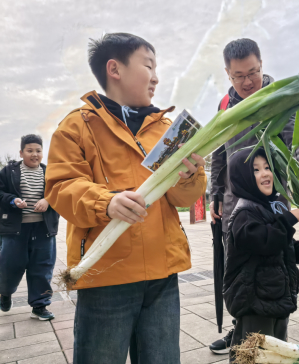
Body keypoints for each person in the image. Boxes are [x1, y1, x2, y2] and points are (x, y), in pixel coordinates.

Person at [44, 33, 207, 364]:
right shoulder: (76, 126)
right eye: (148, 65)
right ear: (114, 69)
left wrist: (191, 175)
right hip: (105, 277)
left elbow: (183, 198)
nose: (156, 77)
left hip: (162, 276)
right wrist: (105, 202)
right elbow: (61, 187)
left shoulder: (166, 128)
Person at [209, 38, 299, 354]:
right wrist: (215, 194)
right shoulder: (224, 107)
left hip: (272, 204)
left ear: (262, 65)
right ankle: (239, 329)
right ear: (228, 74)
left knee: (271, 261)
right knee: (238, 270)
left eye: (253, 72)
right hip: (235, 204)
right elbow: (218, 155)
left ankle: (270, 334)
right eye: (238, 76)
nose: (247, 82)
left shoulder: (280, 100)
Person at [224, 148, 299, 362]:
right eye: (256, 170)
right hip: (254, 301)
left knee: (276, 352)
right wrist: (289, 219)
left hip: (275, 296)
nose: (265, 173)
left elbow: (279, 244)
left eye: (267, 168)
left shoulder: (272, 207)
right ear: (243, 178)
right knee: (252, 353)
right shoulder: (244, 214)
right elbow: (264, 241)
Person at [0, 134, 59, 320]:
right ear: (21, 152)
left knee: (42, 267)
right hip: (15, 230)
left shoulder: (49, 172)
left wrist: (48, 200)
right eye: (30, 150)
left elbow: (61, 192)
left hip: (43, 228)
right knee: (10, 266)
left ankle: (40, 307)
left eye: (38, 151)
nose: (35, 154)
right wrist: (12, 200)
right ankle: (5, 292)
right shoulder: (9, 171)